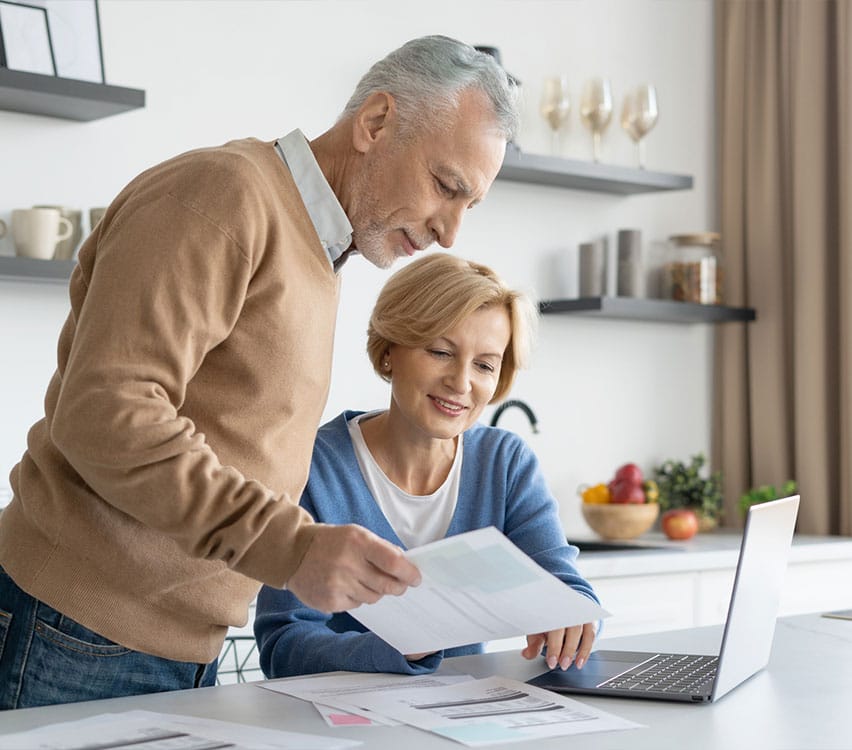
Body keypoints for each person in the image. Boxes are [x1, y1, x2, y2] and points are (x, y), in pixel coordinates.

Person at [0, 36, 520, 709]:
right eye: (446, 187)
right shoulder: (222, 197)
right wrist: (292, 546)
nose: (450, 231)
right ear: (375, 122)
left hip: (173, 647)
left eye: (468, 205)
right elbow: (108, 413)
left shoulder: (319, 251)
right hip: (77, 630)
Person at [254, 253, 599, 678]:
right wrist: (400, 649)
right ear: (389, 351)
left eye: (485, 365)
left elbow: (566, 586)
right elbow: (283, 646)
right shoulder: (313, 464)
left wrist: (575, 619)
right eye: (440, 351)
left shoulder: (505, 464)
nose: (461, 382)